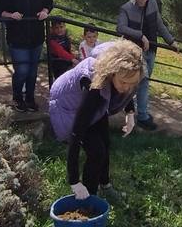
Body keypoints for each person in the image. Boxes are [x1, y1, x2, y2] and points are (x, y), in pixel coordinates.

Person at [48, 40, 146, 198]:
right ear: (113, 71)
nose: (126, 88)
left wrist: (130, 113)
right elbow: (76, 132)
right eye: (123, 82)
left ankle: (105, 185)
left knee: (105, 143)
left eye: (131, 83)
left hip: (95, 106)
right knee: (96, 152)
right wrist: (73, 180)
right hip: (68, 108)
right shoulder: (95, 87)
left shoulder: (125, 72)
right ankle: (88, 196)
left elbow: (127, 91)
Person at [0, 0, 53, 110]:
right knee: (22, 70)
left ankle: (30, 99)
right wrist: (10, 15)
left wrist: (45, 11)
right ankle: (18, 98)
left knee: (33, 72)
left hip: (36, 37)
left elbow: (48, 3)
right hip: (17, 38)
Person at [116, 0, 178, 130]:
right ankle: (142, 116)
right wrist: (140, 35)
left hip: (152, 50)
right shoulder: (126, 8)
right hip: (135, 51)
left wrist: (171, 41)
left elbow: (159, 24)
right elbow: (121, 27)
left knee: (141, 81)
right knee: (143, 82)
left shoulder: (153, 4)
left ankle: (132, 108)